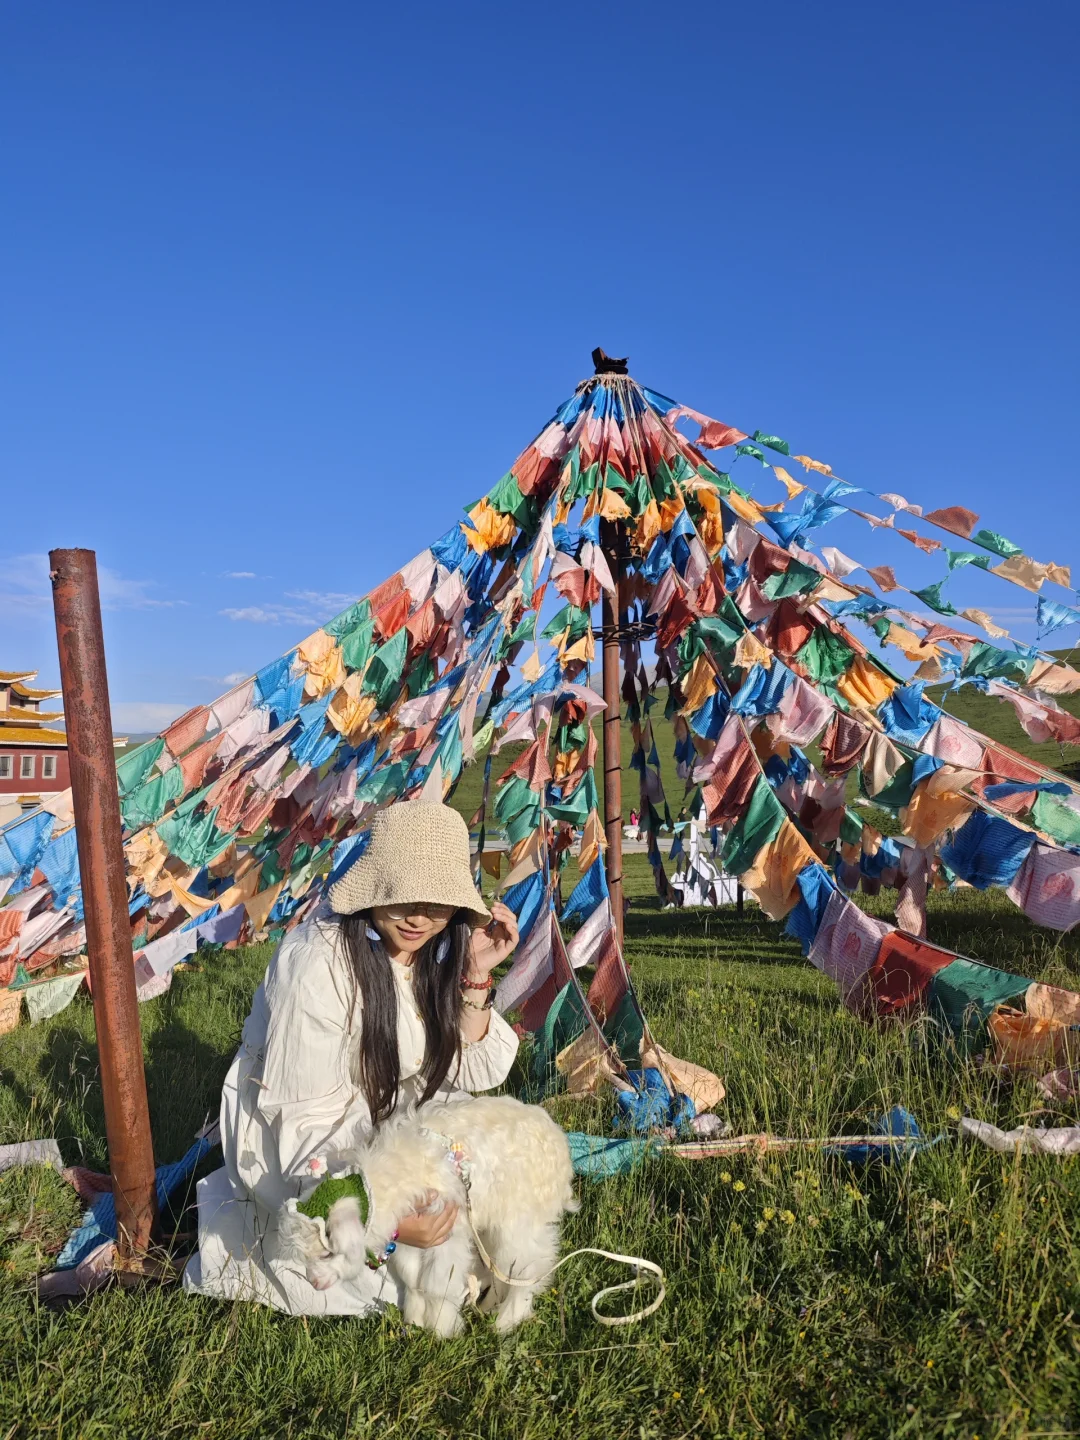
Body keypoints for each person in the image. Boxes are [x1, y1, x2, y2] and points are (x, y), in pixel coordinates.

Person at [183, 800, 521, 1315]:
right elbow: (306, 1125)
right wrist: (387, 1215)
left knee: (495, 1201)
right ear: (372, 887)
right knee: (400, 1276)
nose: (418, 917)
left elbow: (474, 1070)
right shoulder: (316, 965)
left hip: (387, 1117)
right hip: (308, 1143)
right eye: (401, 895)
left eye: (438, 902)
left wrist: (475, 971)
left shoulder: (431, 952)